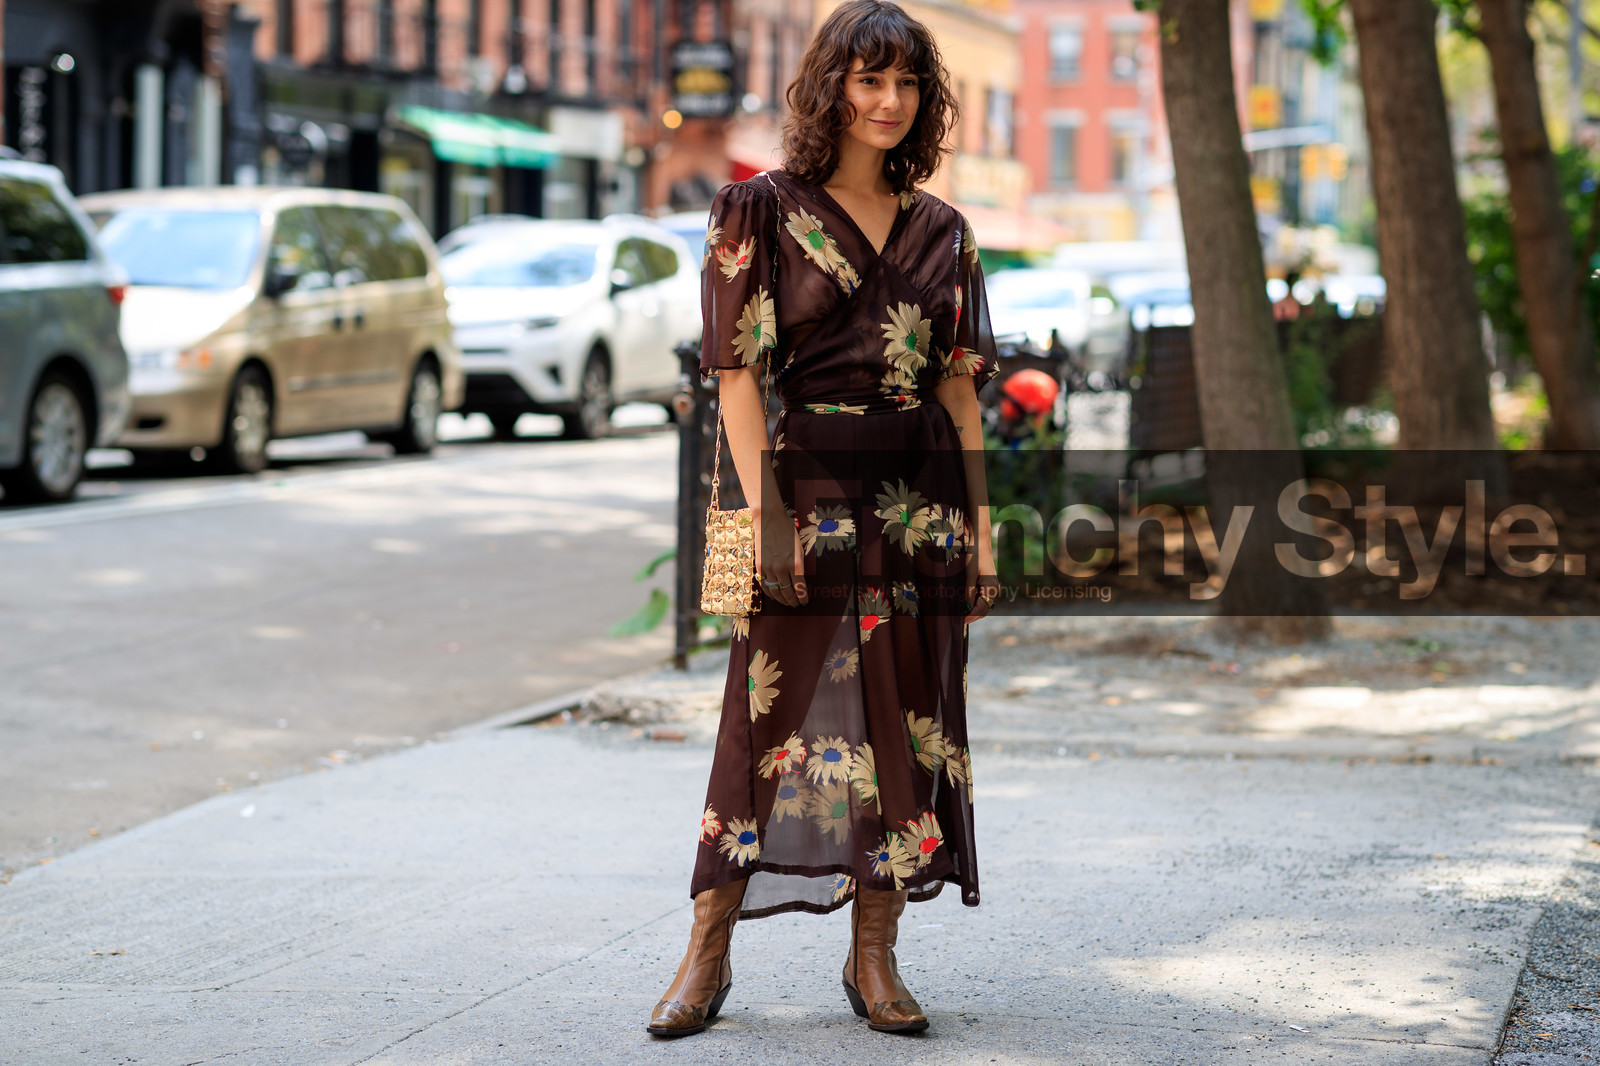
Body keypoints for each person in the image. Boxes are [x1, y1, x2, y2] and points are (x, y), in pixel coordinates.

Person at [646, 0, 1001, 1039]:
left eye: (907, 85)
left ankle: (874, 955)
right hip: (794, 490)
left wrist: (979, 532)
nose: (889, 102)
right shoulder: (755, 208)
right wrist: (760, 524)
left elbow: (963, 390)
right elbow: (735, 377)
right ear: (830, 87)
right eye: (868, 79)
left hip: (918, 495)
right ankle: (706, 950)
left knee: (906, 720)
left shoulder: (946, 231)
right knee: (762, 722)